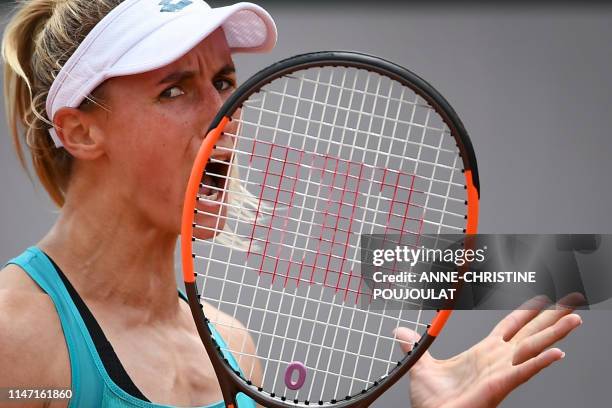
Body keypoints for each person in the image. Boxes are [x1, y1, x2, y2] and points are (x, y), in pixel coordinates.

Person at [0, 1, 581, 407]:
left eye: (225, 82)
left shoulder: (233, 350)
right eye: (173, 90)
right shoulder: (14, 337)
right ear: (79, 132)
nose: (226, 113)